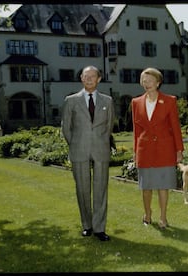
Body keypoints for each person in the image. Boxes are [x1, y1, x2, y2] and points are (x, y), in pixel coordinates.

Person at [61, 65, 115, 241]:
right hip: (79, 149)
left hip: (101, 149)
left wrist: (101, 141)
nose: (89, 79)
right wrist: (76, 143)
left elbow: (109, 127)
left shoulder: (108, 101)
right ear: (81, 79)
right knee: (82, 189)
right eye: (86, 76)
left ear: (99, 79)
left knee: (101, 189)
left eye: (93, 76)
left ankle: (99, 228)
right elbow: (66, 128)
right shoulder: (71, 101)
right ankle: (87, 225)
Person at [131, 67, 184, 230]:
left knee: (163, 185)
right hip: (144, 150)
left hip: (164, 149)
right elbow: (136, 129)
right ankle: (147, 213)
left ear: (158, 82)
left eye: (150, 80)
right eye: (143, 80)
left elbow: (175, 126)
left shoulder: (169, 100)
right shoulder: (136, 102)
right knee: (146, 187)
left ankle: (163, 217)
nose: (146, 84)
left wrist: (179, 150)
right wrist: (135, 152)